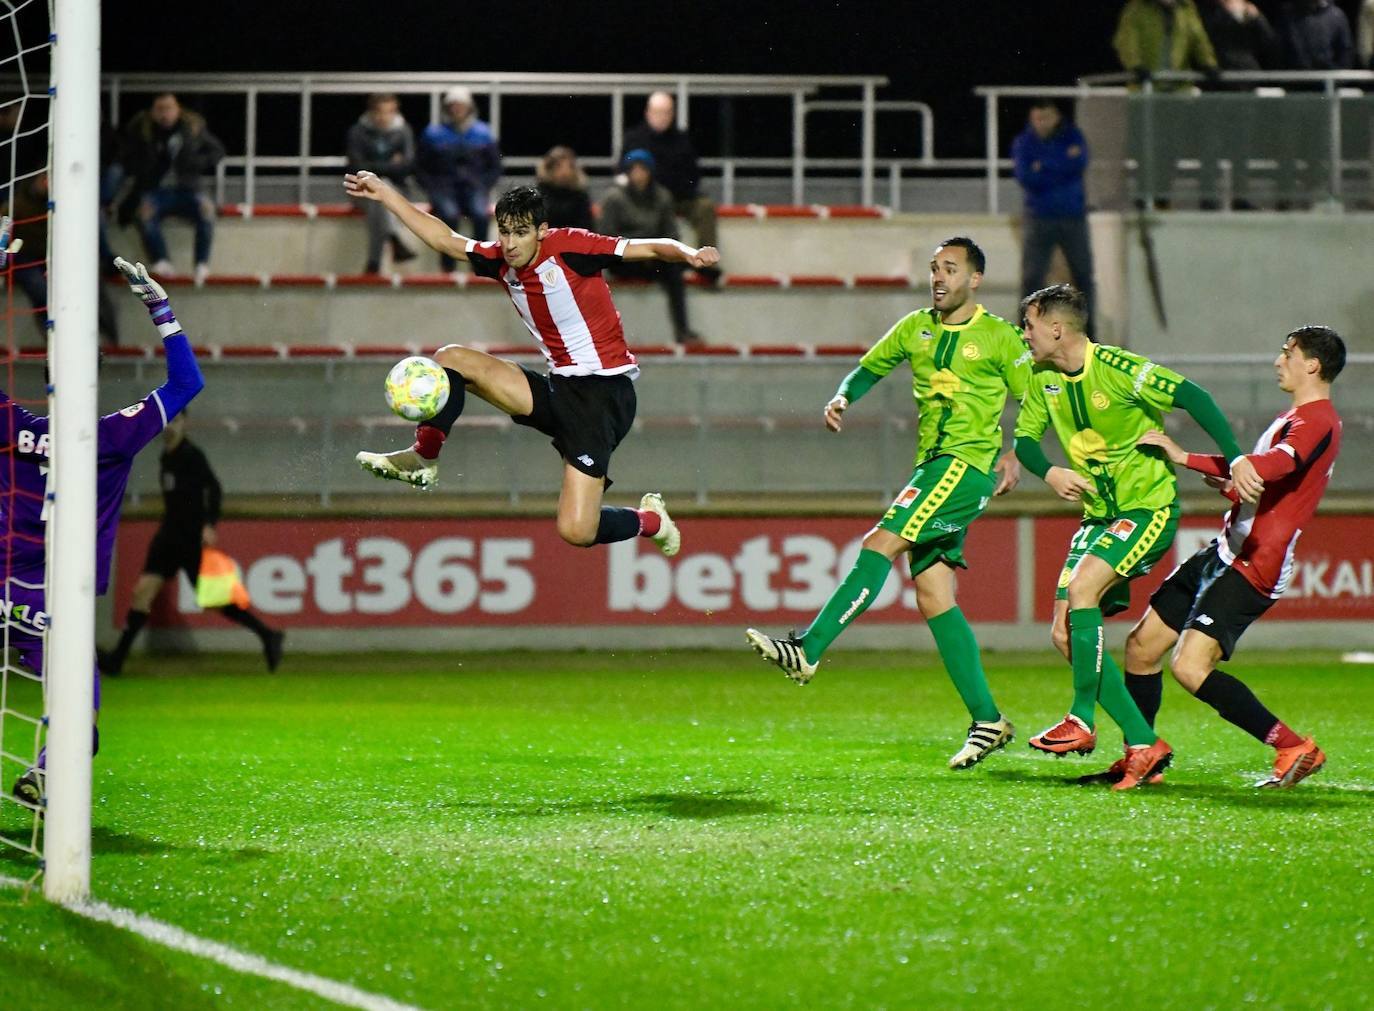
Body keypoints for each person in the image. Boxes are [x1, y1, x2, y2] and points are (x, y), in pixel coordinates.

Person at [746, 237, 1030, 772]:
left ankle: (808, 647)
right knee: (932, 594)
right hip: (932, 467)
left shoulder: (998, 337)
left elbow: (1034, 397)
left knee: (880, 542)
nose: (938, 277)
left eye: (950, 268)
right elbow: (870, 366)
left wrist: (1015, 451)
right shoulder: (914, 327)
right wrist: (843, 395)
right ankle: (988, 719)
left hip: (963, 466)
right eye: (933, 268)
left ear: (975, 279)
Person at [342, 172, 719, 557]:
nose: (509, 244)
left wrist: (688, 254)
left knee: (576, 530)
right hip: (559, 389)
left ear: (541, 230)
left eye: (519, 233)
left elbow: (651, 248)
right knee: (451, 359)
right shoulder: (499, 259)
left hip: (603, 398)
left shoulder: (572, 246)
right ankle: (424, 457)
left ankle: (651, 521)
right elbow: (443, 238)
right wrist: (386, 194)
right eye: (503, 232)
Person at [1087, 326, 1344, 789]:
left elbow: (1275, 466)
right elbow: (1252, 471)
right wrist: (1189, 459)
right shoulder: (1293, 417)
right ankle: (1141, 754)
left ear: (1313, 365)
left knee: (1189, 667)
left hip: (1255, 564)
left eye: (1288, 353)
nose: (1278, 361)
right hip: (1224, 551)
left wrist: (1232, 469)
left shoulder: (1319, 420)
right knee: (1142, 648)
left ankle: (1292, 746)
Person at [1013, 284, 1244, 790]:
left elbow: (1193, 396)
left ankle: (1081, 717)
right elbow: (1025, 441)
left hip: (1146, 510)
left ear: (1056, 327)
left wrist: (1236, 457)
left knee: (1082, 593)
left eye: (1028, 325)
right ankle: (1143, 740)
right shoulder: (1041, 377)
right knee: (1063, 632)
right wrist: (1049, 472)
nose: (1023, 334)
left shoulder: (1118, 368)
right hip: (1097, 517)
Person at [8, 254, 205, 806]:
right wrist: (159, 306)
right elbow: (188, 381)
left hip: (4, 585)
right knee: (80, 700)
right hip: (56, 599)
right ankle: (48, 773)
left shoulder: (9, 425)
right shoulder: (113, 436)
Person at [99, 411, 285, 676]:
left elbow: (215, 488)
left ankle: (268, 635)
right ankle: (117, 660)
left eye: (176, 422)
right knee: (143, 592)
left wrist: (209, 523)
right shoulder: (167, 455)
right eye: (167, 422)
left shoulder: (191, 456)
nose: (170, 428)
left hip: (188, 539)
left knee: (214, 599)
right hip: (167, 536)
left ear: (185, 423)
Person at [598, 149, 702, 345]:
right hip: (624, 259)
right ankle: (601, 337)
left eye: (643, 169)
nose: (638, 174)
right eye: (634, 169)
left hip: (653, 258)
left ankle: (683, 331)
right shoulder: (614, 198)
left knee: (675, 271)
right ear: (627, 172)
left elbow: (672, 234)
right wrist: (641, 246)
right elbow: (606, 237)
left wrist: (656, 250)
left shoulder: (662, 196)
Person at [119, 92, 225, 284]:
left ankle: (201, 263)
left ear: (178, 110)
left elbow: (217, 151)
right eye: (160, 109)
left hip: (188, 190)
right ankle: (161, 260)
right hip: (156, 191)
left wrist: (196, 163)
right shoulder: (142, 131)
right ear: (152, 112)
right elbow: (127, 158)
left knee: (207, 210)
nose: (164, 114)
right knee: (144, 213)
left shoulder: (192, 128)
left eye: (169, 109)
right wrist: (145, 167)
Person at [2, 173, 120, 345]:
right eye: (44, 180)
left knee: (91, 282)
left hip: (56, 256)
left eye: (50, 180)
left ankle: (107, 337)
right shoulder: (15, 205)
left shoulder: (64, 205)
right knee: (40, 288)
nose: (47, 184)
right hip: (24, 258)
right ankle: (55, 339)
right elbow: (4, 234)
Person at [1012, 99, 1096, 328]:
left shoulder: (1074, 136)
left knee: (1083, 277)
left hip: (1073, 217)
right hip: (1039, 217)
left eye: (1045, 117)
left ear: (1057, 116)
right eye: (1036, 118)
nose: (1041, 123)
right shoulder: (1024, 143)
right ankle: (1024, 333)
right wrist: (1061, 163)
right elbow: (1026, 178)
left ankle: (1089, 334)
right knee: (1031, 279)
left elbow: (1078, 163)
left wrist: (1043, 166)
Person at [622, 92, 721, 282]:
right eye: (658, 112)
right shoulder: (634, 139)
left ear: (673, 114)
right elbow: (624, 169)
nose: (662, 117)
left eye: (667, 112)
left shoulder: (682, 140)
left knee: (705, 206)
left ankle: (705, 262)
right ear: (648, 113)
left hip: (679, 198)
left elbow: (693, 175)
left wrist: (671, 188)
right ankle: (633, 263)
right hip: (645, 200)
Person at [415, 86, 502, 271]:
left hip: (475, 186)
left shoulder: (483, 133)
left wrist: (484, 186)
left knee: (480, 214)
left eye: (460, 105)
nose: (457, 109)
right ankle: (448, 268)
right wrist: (431, 188)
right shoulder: (433, 134)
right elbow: (420, 166)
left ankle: (481, 265)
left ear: (469, 107)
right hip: (443, 187)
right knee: (449, 215)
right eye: (453, 105)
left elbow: (495, 166)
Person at [345, 93, 417, 275]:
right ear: (371, 112)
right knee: (378, 191)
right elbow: (357, 166)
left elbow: (407, 167)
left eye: (389, 112)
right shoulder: (357, 132)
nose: (384, 117)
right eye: (380, 112)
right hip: (362, 191)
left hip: (398, 190)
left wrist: (376, 169)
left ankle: (373, 261)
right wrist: (392, 165)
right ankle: (394, 239)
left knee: (381, 190)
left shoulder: (403, 131)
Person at [1114, 0, 1221, 88]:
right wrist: (1136, 66)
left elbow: (1199, 39)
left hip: (1179, 87)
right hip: (1146, 87)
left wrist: (1208, 64)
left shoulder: (1186, 8)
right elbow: (1127, 40)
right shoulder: (1137, 8)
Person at [1202, 0, 1281, 72]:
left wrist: (1257, 18)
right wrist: (1229, 14)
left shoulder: (1251, 12)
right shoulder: (1210, 11)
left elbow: (1270, 42)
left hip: (1248, 69)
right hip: (1221, 71)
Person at [1278, 0, 1355, 69]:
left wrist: (1335, 74)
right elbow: (1279, 53)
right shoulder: (1287, 17)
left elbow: (1346, 53)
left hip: (1329, 80)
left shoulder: (1337, 16)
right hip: (1294, 80)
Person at [537, 146, 594, 231]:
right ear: (549, 168)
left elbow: (586, 226)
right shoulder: (539, 195)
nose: (564, 172)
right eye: (558, 166)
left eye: (569, 167)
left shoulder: (580, 196)